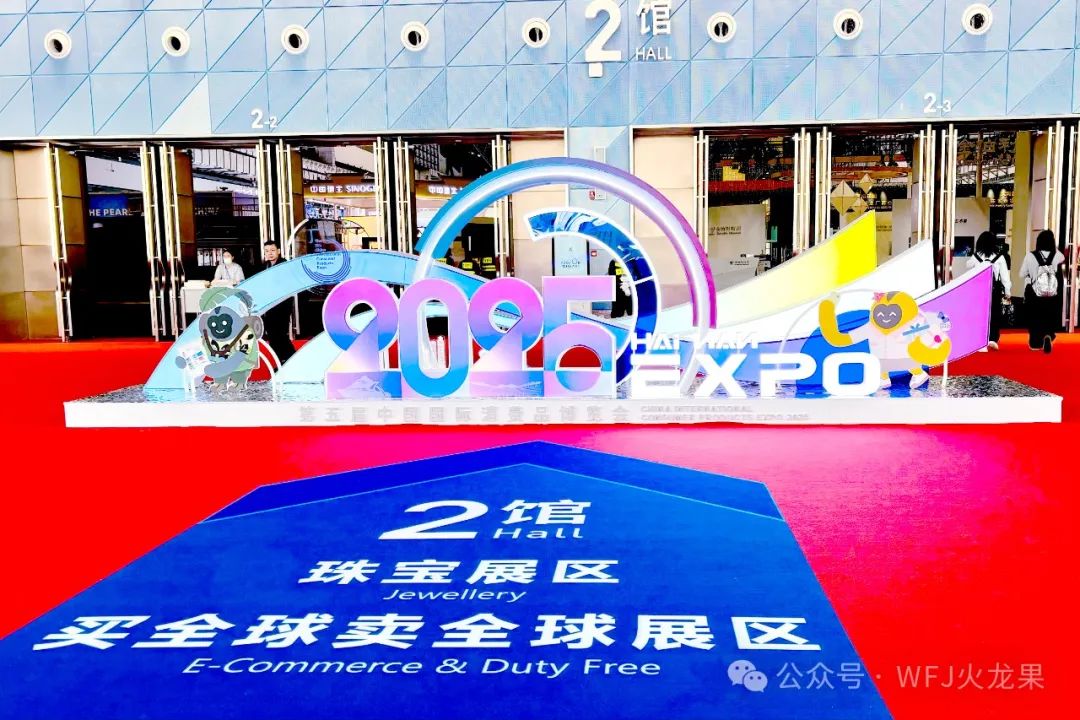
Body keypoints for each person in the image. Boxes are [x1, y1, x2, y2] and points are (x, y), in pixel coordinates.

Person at [1020, 229, 1065, 353]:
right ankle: (1048, 334)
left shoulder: (1030, 256)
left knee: (1035, 317)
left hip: (1034, 293)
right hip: (1051, 293)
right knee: (1049, 316)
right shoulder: (1057, 256)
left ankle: (1035, 342)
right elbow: (1062, 257)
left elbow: (1022, 273)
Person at [966, 231, 1010, 350]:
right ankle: (992, 338)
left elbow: (967, 266)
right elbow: (1005, 277)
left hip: (979, 289)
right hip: (994, 290)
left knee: (979, 313)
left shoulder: (976, 256)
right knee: (994, 313)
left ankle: (980, 339)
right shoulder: (1000, 257)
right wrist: (1007, 292)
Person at [260, 240, 296, 364]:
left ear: (278, 251)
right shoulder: (265, 266)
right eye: (267, 251)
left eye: (272, 250)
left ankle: (291, 361)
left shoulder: (284, 265)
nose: (269, 253)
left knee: (280, 335)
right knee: (272, 336)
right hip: (270, 307)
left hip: (282, 306)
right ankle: (281, 362)